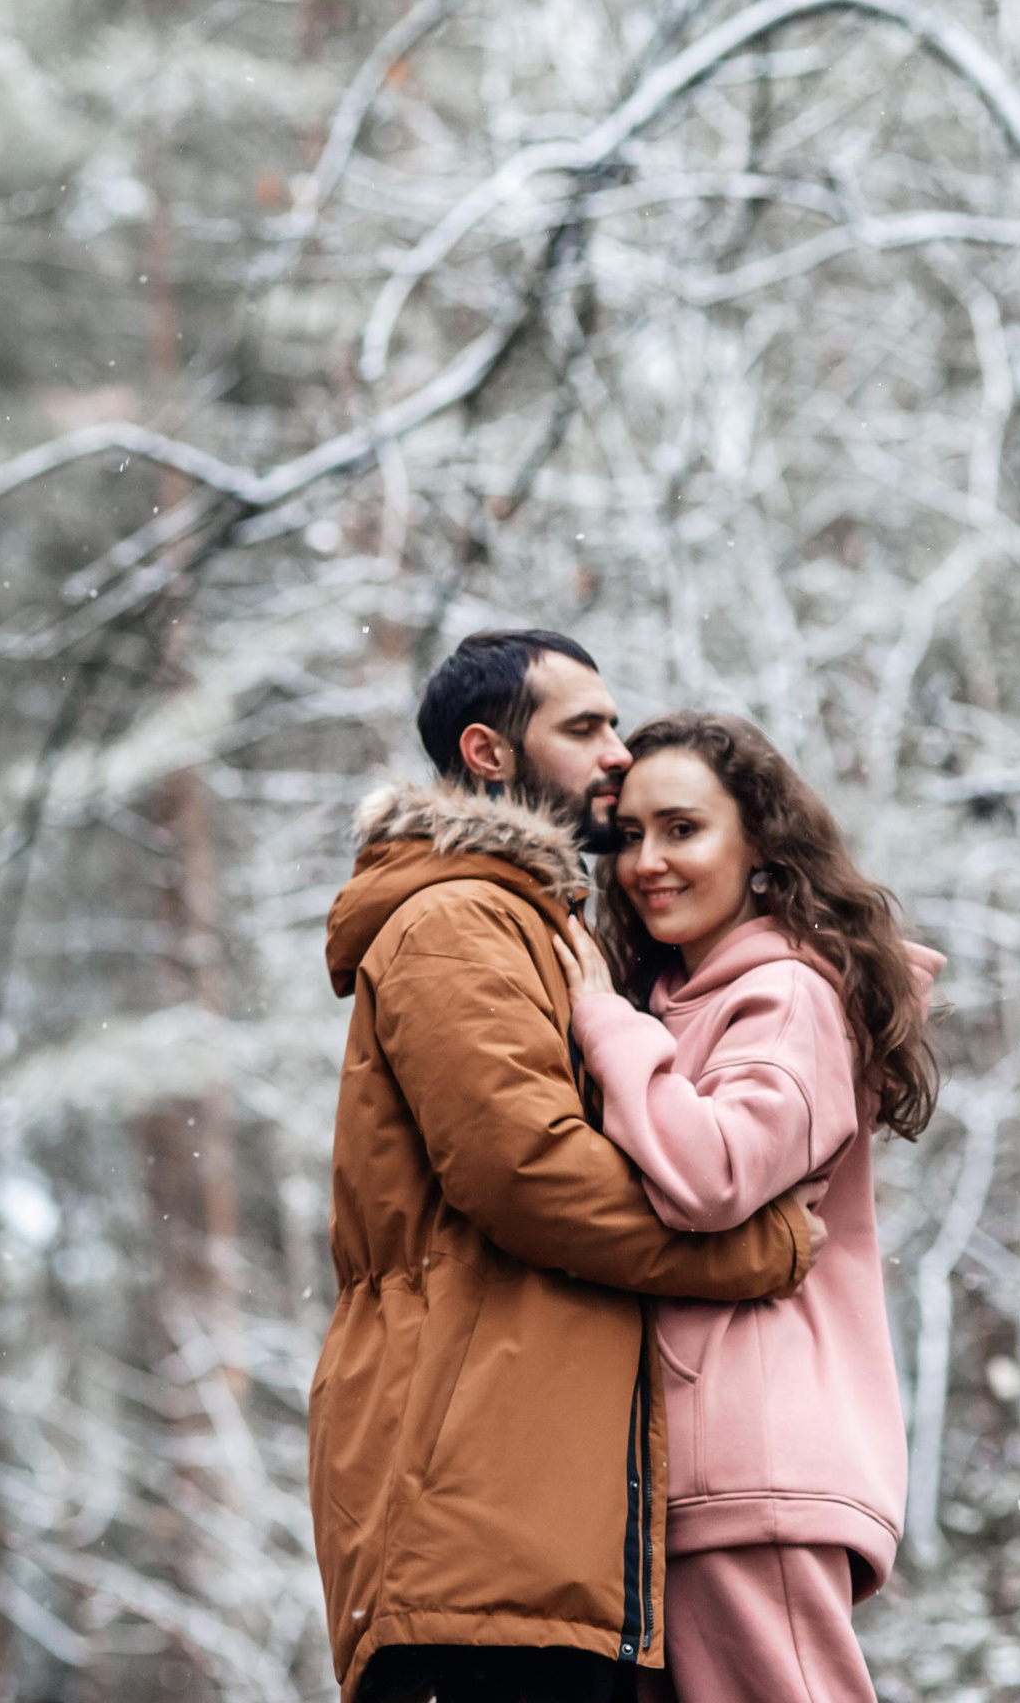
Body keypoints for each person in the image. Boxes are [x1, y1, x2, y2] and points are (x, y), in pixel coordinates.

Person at [315, 632, 827, 1703]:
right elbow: (530, 1179)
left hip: (531, 1532)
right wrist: (751, 1253)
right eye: (583, 726)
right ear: (487, 753)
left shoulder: (535, 926)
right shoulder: (458, 919)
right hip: (472, 1527)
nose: (615, 752)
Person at [554, 711, 940, 1703]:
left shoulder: (787, 993)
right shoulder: (685, 996)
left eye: (682, 829)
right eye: (629, 835)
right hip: (693, 1469)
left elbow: (713, 1172)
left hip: (751, 1463)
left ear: (761, 845)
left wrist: (604, 1020)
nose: (646, 862)